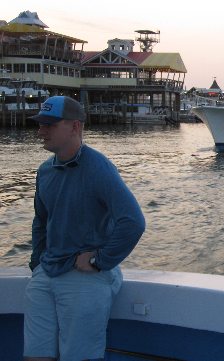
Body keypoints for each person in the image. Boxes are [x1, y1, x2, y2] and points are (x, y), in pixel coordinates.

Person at [24, 96, 146, 361]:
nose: (41, 130)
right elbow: (41, 221)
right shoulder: (45, 171)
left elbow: (133, 222)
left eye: (50, 124)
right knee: (35, 355)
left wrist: (100, 260)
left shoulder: (99, 168)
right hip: (48, 272)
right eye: (40, 123)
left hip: (83, 275)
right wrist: (38, 263)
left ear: (75, 127)